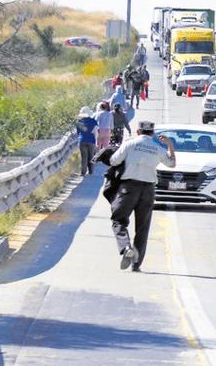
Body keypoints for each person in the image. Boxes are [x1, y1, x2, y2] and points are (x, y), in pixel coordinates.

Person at [108, 121, 176, 271]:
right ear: (152, 133)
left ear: (138, 132)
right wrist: (170, 144)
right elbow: (172, 164)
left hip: (129, 188)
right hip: (148, 190)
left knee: (118, 220)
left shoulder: (129, 144)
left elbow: (113, 161)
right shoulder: (158, 148)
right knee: (143, 228)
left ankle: (126, 248)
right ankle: (136, 264)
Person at [75, 106, 99, 176]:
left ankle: (83, 172)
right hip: (91, 140)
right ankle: (91, 171)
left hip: (82, 140)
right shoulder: (93, 121)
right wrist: (95, 141)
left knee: (84, 157)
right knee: (91, 156)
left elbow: (78, 133)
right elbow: (96, 132)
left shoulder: (78, 122)